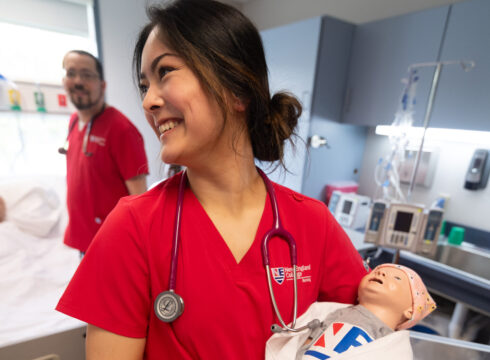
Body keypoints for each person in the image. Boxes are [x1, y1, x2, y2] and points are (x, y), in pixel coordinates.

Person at [56, 1, 368, 359]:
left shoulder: (313, 224)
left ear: (237, 89)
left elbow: (370, 323)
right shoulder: (131, 228)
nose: (148, 101)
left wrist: (401, 288)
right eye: (144, 86)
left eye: (166, 72)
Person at [61, 50, 149, 253]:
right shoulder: (74, 121)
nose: (78, 81)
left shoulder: (122, 130)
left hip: (111, 244)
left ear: (102, 85)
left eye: (87, 75)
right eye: (71, 73)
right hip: (83, 238)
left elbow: (140, 201)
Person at [266, 264, 437, 360]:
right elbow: (309, 336)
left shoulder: (388, 342)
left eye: (397, 278)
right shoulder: (337, 312)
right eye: (377, 271)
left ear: (410, 310)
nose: (381, 272)